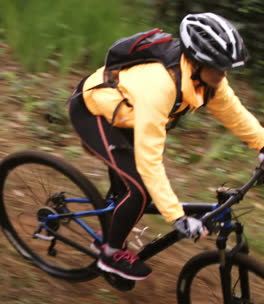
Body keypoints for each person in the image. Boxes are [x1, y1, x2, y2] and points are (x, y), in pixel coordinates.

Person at [69, 12, 264, 281]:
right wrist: (177, 217)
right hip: (94, 112)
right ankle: (110, 252)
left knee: (130, 188)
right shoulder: (160, 85)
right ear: (196, 61)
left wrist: (262, 145)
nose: (224, 73)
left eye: (226, 67)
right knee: (140, 190)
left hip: (129, 117)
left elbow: (235, 114)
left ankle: (110, 229)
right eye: (218, 67)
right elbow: (150, 161)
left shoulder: (207, 81)